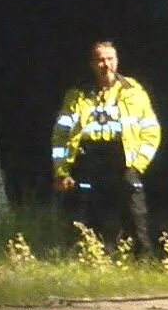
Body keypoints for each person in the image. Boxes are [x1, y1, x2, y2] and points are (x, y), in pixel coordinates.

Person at [51, 40, 161, 256]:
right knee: (88, 212)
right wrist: (61, 171)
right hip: (88, 159)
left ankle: (142, 260)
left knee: (134, 212)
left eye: (110, 59)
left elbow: (151, 130)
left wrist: (138, 164)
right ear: (92, 64)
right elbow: (61, 134)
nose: (106, 64)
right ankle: (92, 257)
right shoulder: (77, 94)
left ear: (117, 61)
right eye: (100, 60)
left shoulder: (133, 91)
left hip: (124, 159)